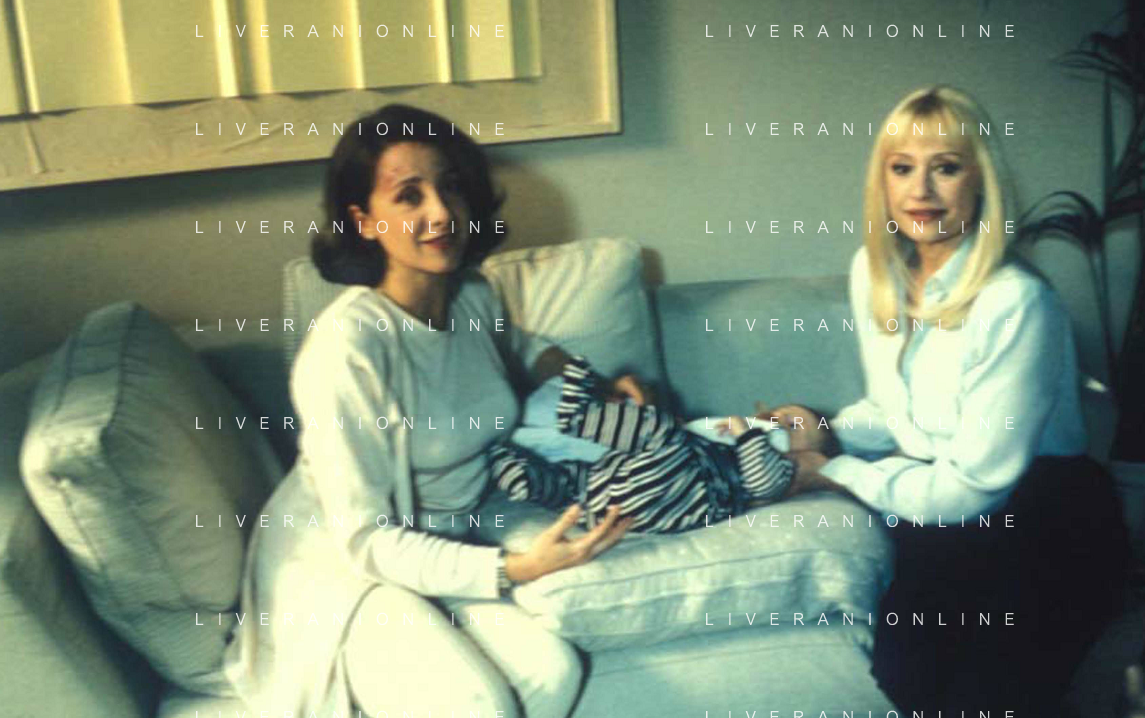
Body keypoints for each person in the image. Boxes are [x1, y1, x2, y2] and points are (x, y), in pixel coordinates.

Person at [223, 104, 640, 718]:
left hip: (442, 539)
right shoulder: (347, 348)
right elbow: (366, 538)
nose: (441, 213)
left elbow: (520, 347)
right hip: (343, 566)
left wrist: (594, 384)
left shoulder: (471, 296)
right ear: (364, 221)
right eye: (409, 196)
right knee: (478, 704)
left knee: (553, 673)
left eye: (450, 187)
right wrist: (517, 568)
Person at [758, 86, 1129, 716]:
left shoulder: (1016, 300)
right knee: (903, 678)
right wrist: (822, 427)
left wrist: (834, 472)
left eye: (946, 167)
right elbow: (897, 412)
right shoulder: (874, 271)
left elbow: (973, 489)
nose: (921, 190)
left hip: (1043, 517)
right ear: (882, 181)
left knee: (975, 697)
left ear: (980, 181)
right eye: (902, 168)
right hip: (941, 506)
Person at [490, 353, 804, 533]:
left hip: (671, 496)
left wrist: (746, 433)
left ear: (807, 451)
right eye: (780, 411)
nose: (778, 418)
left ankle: (580, 418)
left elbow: (764, 483)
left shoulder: (775, 458)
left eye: (795, 424)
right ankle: (515, 471)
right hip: (620, 498)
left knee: (662, 432)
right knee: (576, 482)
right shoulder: (729, 442)